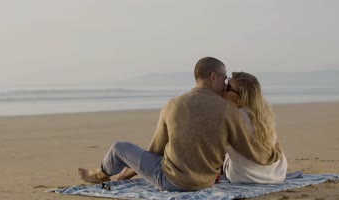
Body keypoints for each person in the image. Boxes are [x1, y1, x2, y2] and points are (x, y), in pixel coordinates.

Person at [78, 57, 281, 191]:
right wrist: (274, 153)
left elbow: (156, 150)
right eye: (224, 78)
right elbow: (249, 149)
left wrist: (132, 169)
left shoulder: (173, 105)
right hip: (206, 182)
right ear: (213, 77)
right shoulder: (229, 111)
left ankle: (98, 174)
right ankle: (113, 173)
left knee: (118, 148)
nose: (226, 83)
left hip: (172, 182)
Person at [222, 72, 287, 183]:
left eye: (229, 87)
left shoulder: (231, 118)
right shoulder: (264, 114)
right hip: (276, 173)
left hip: (245, 177)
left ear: (240, 98)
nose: (224, 88)